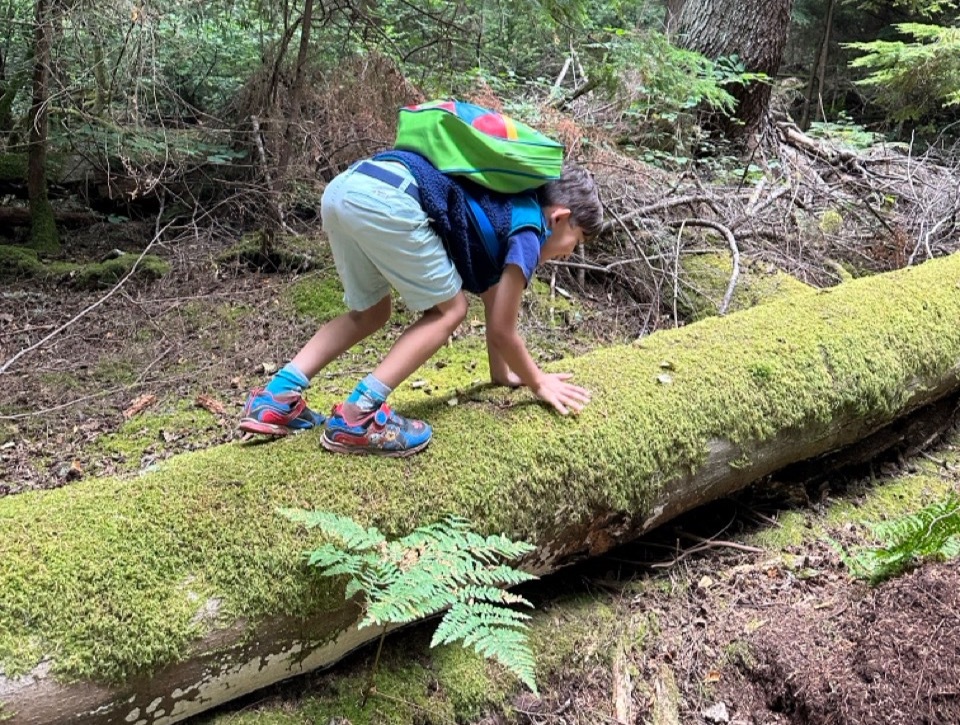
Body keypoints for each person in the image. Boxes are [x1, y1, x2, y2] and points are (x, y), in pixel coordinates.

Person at [239, 147, 604, 457]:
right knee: (451, 310)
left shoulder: (505, 203)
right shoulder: (528, 232)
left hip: (347, 187)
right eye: (577, 241)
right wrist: (538, 382)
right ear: (560, 218)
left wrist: (502, 374)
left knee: (369, 312)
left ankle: (277, 397)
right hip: (390, 199)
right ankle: (358, 416)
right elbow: (504, 333)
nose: (570, 253)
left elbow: (495, 305)